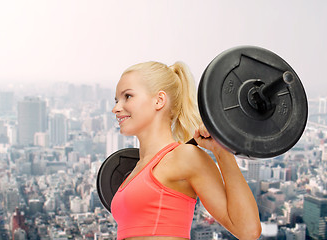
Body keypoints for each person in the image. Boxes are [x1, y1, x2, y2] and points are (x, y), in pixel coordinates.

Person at [111, 61, 261, 240]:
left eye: (127, 96)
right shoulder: (136, 169)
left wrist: (222, 152)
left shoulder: (185, 157)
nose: (116, 108)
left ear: (159, 101)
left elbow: (248, 230)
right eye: (116, 100)